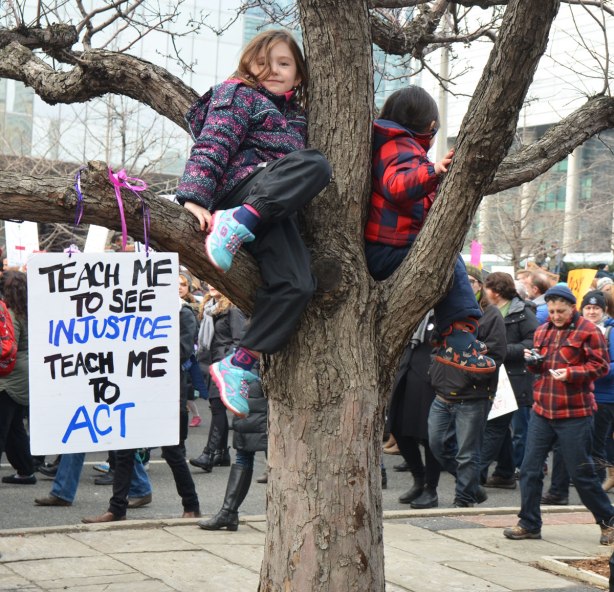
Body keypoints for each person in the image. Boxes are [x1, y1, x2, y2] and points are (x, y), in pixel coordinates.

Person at [176, 29, 332, 418]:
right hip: (240, 191)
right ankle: (235, 223)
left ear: (298, 76)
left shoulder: (297, 118)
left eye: (285, 64)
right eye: (264, 62)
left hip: (267, 212)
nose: (274, 70)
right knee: (315, 163)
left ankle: (240, 362)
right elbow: (213, 144)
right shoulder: (238, 95)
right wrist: (195, 198)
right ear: (248, 66)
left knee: (298, 284)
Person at [364, 85, 495, 373]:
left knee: (451, 264)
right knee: (450, 264)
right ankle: (458, 335)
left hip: (390, 245)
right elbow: (398, 186)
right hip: (388, 247)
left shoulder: (391, 144)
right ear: (431, 127)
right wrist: (432, 171)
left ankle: (457, 334)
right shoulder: (399, 145)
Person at [503, 285, 614, 545]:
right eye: (551, 311)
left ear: (572, 307)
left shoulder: (588, 331)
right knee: (530, 471)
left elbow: (600, 366)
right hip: (543, 410)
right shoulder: (542, 330)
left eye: (561, 311)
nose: (555, 315)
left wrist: (572, 373)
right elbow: (539, 367)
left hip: (575, 412)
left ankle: (608, 520)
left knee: (581, 473)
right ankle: (529, 523)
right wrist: (534, 362)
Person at [82, 291, 202, 522]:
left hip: (167, 393)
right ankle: (117, 509)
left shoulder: (183, 313)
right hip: (135, 390)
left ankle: (191, 506)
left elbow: (183, 351)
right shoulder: (139, 310)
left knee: (172, 452)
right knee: (124, 450)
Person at [428, 266, 507, 507]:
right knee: (436, 445)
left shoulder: (491, 315)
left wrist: (468, 373)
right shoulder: (446, 313)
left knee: (467, 454)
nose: (469, 285)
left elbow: (496, 354)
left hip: (472, 397)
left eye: (473, 281)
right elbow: (434, 346)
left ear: (480, 286)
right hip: (442, 394)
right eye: (466, 280)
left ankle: (464, 498)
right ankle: (472, 486)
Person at [480, 272, 538, 488]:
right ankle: (504, 473)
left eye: (487, 287)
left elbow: (533, 343)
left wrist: (502, 351)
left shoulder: (522, 311)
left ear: (495, 291)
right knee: (500, 427)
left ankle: (477, 474)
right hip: (494, 375)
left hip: (514, 378)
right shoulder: (487, 311)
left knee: (498, 425)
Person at [198, 372, 267, 531]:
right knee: (244, 453)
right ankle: (228, 512)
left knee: (274, 457)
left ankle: (228, 512)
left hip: (258, 388)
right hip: (250, 389)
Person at [389, 310, 442, 509]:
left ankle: (431, 488)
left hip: (430, 381)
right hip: (407, 374)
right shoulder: (418, 312)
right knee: (398, 429)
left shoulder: (445, 314)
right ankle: (418, 479)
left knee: (429, 436)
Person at [190, 286, 246, 473]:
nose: (212, 286)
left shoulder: (233, 309)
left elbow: (239, 341)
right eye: (210, 283)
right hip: (209, 364)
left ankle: (209, 453)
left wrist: (226, 363)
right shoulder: (208, 309)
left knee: (217, 408)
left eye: (216, 282)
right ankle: (222, 454)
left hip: (223, 366)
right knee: (216, 406)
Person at [0, 271, 36, 485]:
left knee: (3, 428)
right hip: (25, 375)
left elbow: (7, 347)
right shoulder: (31, 312)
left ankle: (25, 470)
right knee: (14, 427)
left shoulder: (11, 315)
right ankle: (25, 469)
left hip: (10, 378)